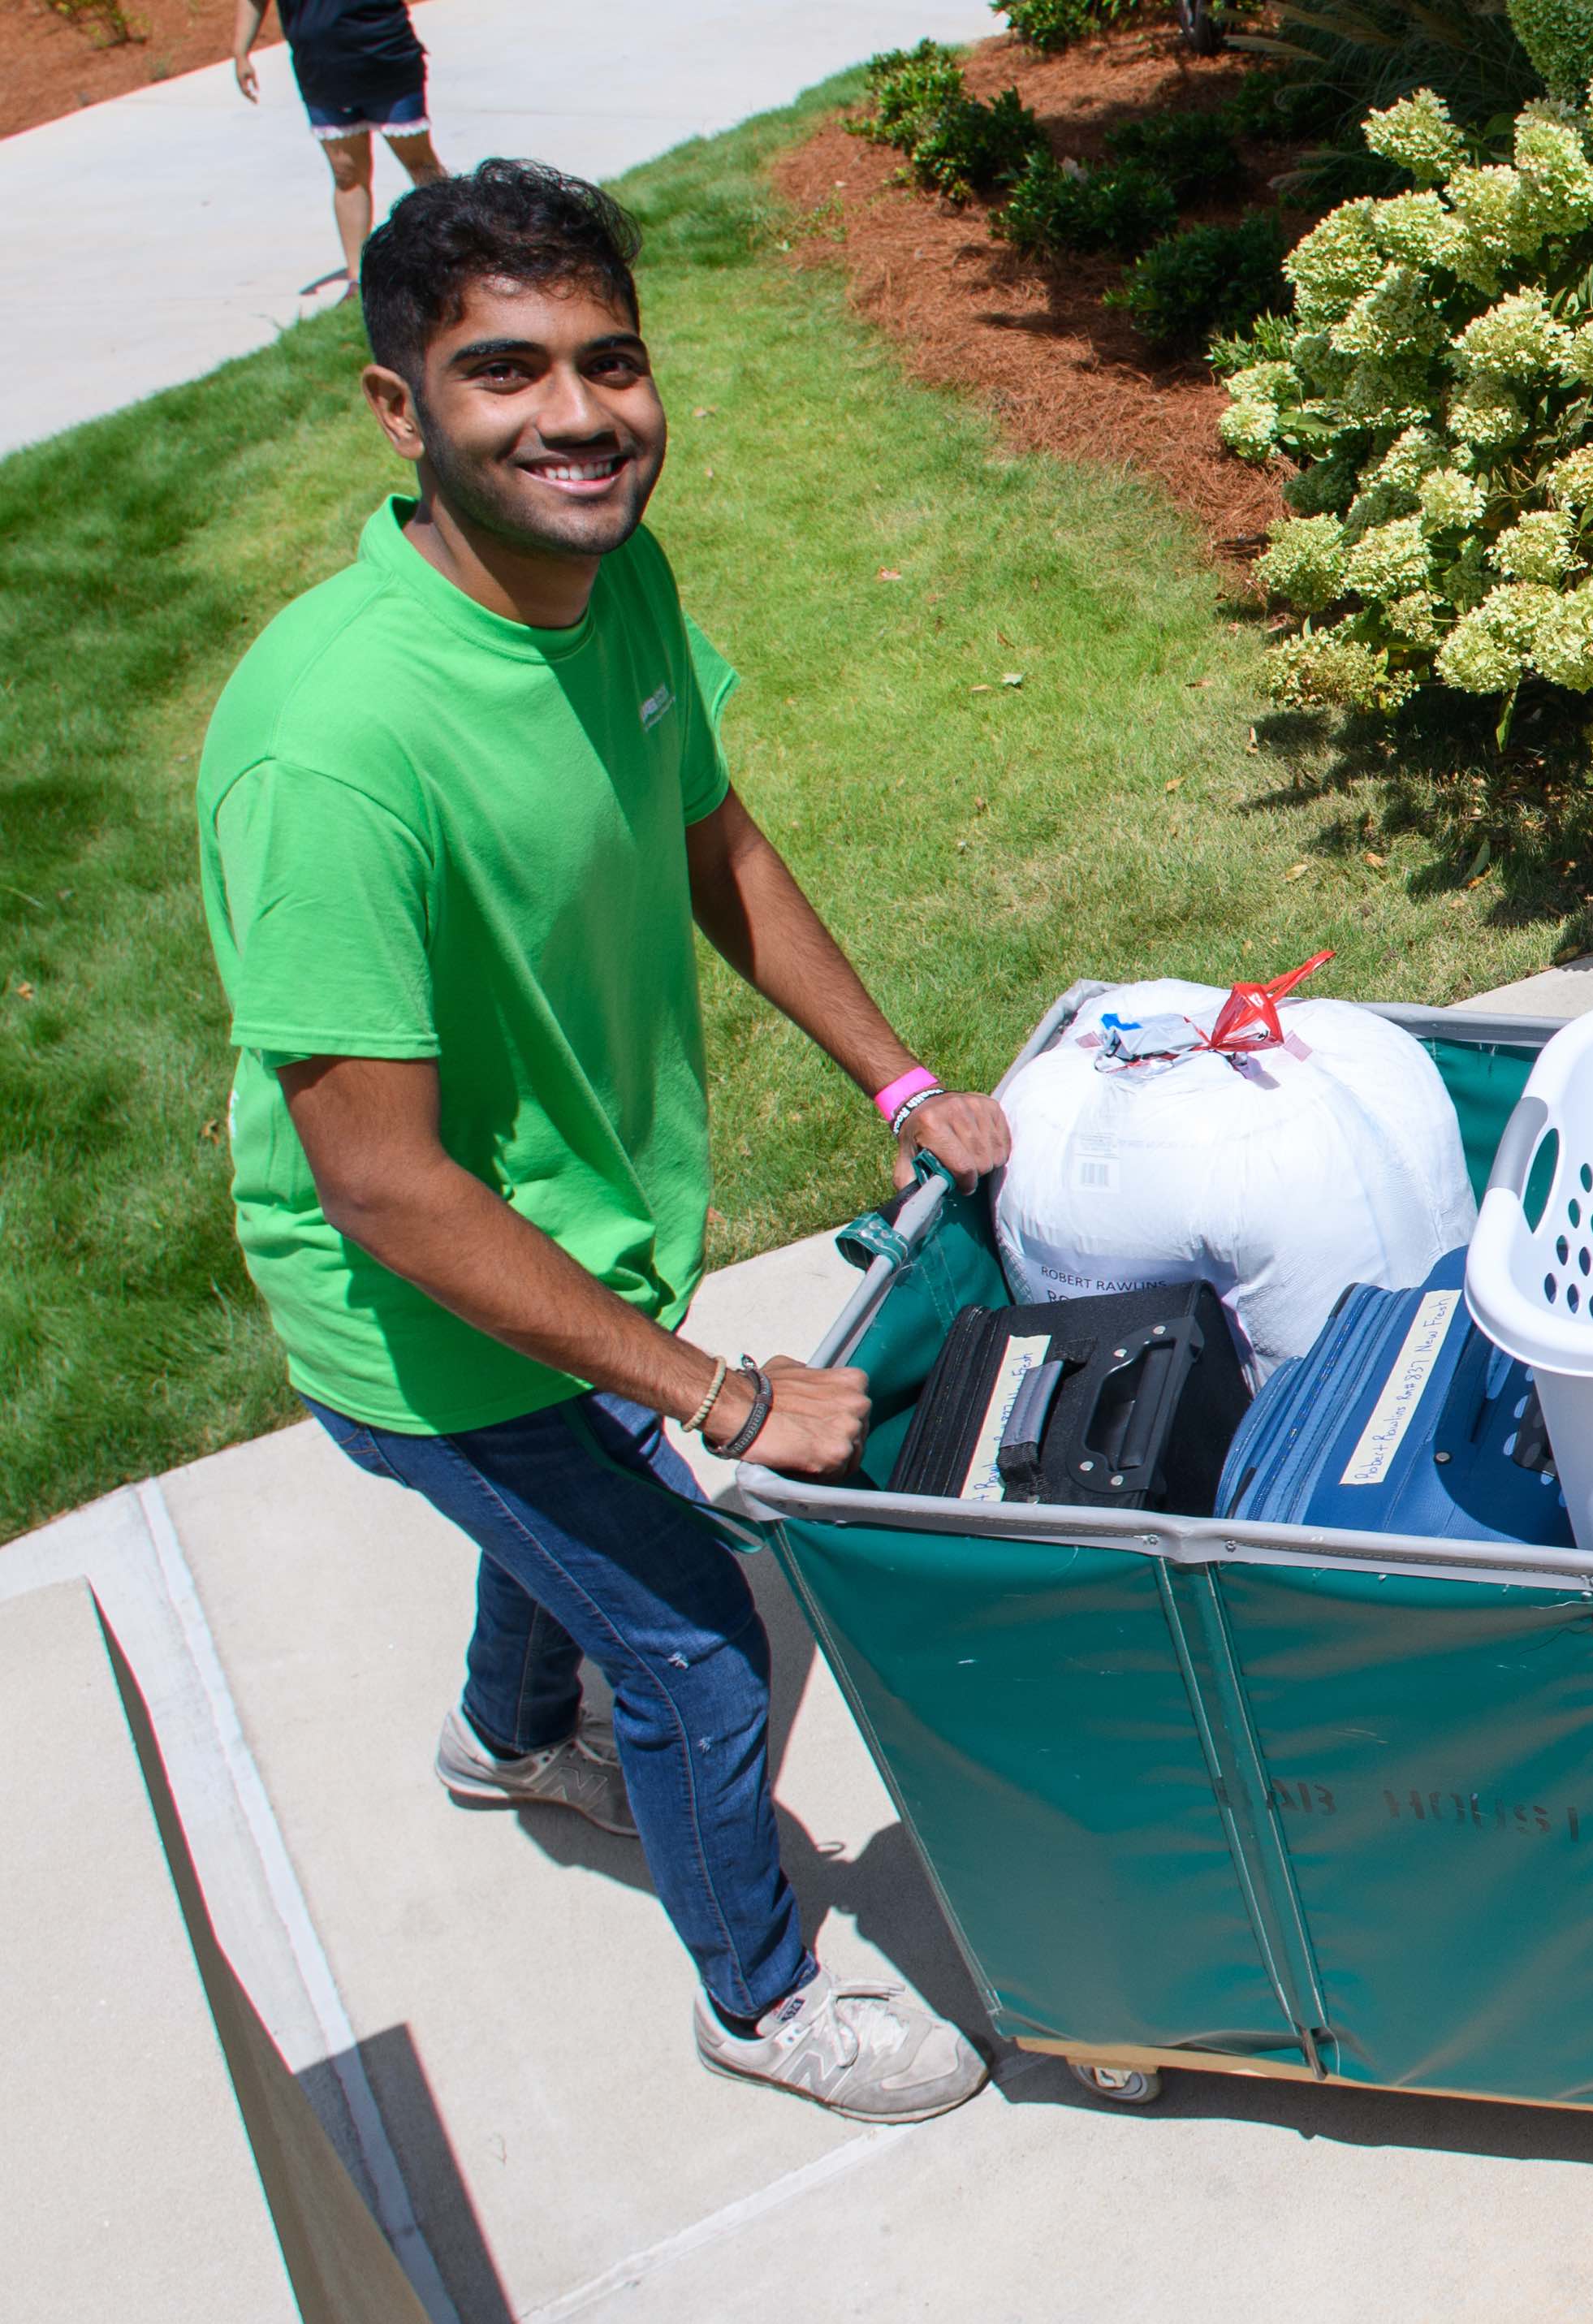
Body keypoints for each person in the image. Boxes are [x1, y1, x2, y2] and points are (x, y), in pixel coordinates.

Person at [195, 161, 1008, 2124]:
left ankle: (507, 1737)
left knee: (574, 1538)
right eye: (506, 373)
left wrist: (902, 1087)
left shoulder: (608, 573)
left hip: (578, 1241)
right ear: (402, 410)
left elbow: (708, 832)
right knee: (702, 1636)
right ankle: (760, 1993)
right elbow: (382, 1182)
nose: (578, 414)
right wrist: (719, 1395)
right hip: (432, 1313)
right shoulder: (331, 743)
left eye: (610, 359)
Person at [230, 0, 447, 296]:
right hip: (320, 72)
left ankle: (453, 250)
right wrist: (241, 52)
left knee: (419, 163)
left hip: (385, 57)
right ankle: (358, 281)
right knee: (347, 174)